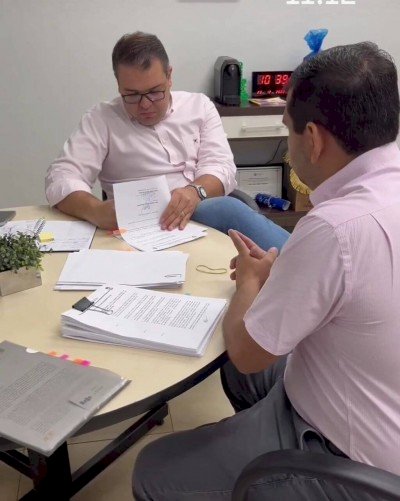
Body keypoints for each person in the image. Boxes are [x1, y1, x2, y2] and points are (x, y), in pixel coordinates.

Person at [132, 41, 400, 500]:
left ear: (312, 138)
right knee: (245, 377)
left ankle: (276, 473)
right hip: (370, 394)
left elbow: (247, 353)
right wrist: (289, 274)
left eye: (287, 129)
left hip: (353, 459)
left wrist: (250, 283)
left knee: (153, 470)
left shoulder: (333, 229)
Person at [45, 31, 289, 251]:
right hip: (140, 230)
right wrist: (96, 211)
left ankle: (304, 263)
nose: (145, 104)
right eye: (131, 95)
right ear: (119, 86)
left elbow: (221, 167)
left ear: (169, 76)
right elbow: (61, 176)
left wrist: (194, 192)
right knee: (229, 211)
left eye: (154, 91)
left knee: (228, 210)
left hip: (202, 214)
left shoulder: (199, 106)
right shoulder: (102, 119)